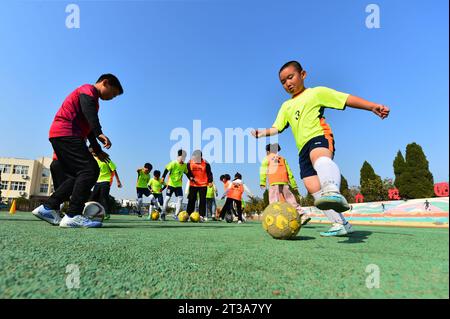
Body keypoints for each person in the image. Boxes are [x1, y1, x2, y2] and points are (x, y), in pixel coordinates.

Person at [252, 60, 389, 237]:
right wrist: (261, 133)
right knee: (312, 186)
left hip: (319, 136)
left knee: (319, 159)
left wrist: (371, 106)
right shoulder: (285, 106)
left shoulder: (317, 93)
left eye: (290, 77)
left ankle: (332, 189)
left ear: (303, 74)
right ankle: (341, 224)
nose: (288, 83)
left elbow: (345, 99)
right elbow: (277, 127)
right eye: (283, 82)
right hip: (302, 149)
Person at [32, 74, 123, 228]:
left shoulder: (92, 99)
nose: (112, 98)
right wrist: (99, 132)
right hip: (67, 133)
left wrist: (97, 149)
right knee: (90, 170)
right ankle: (72, 215)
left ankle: (48, 208)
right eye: (113, 93)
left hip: (61, 135)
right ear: (105, 83)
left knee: (76, 176)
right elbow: (91, 116)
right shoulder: (87, 91)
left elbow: (88, 126)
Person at [260, 143, 311, 225]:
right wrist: (294, 184)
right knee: (290, 199)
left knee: (274, 201)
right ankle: (302, 214)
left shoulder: (267, 159)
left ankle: (275, 219)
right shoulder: (283, 159)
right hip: (284, 181)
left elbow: (263, 171)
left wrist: (262, 182)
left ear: (268, 151)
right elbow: (289, 172)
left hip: (274, 182)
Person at [89, 150, 122, 220]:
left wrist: (118, 181)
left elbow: (114, 170)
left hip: (106, 180)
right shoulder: (93, 160)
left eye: (93, 151)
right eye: (91, 152)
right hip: (97, 181)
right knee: (93, 197)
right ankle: (90, 212)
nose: (93, 153)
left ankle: (106, 213)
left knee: (103, 197)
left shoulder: (106, 159)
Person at [186, 150, 213, 222]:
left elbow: (209, 173)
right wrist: (190, 177)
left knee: (202, 200)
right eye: (194, 157)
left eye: (197, 157)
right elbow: (187, 172)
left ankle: (202, 216)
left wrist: (210, 181)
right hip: (193, 184)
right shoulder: (189, 162)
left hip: (203, 184)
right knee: (191, 200)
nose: (195, 159)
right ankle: (188, 215)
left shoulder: (206, 163)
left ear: (201, 157)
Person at [161, 149, 189, 219]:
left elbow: (187, 173)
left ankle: (176, 215)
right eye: (182, 157)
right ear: (178, 156)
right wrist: (163, 177)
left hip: (178, 185)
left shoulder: (184, 165)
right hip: (171, 184)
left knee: (181, 198)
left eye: (184, 158)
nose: (183, 159)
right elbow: (166, 170)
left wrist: (191, 178)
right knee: (167, 198)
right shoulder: (173, 163)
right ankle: (163, 213)